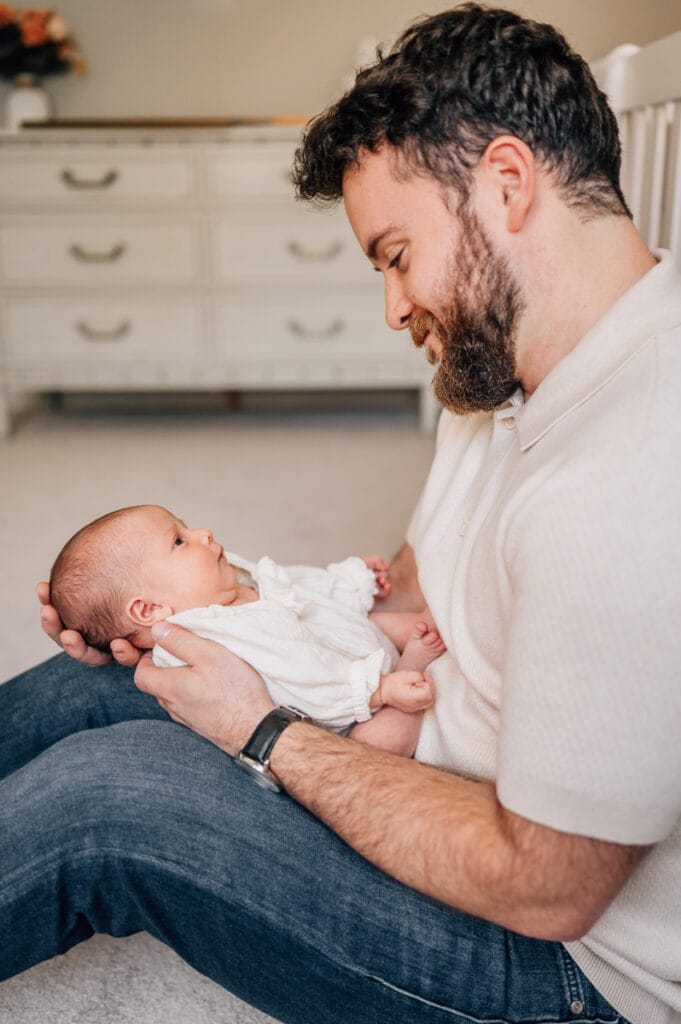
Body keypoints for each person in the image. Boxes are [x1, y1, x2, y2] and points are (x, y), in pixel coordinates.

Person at [2, 4, 679, 1023]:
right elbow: (418, 574)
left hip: (568, 967)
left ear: (507, 182)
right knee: (114, 684)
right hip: (415, 746)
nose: (394, 306)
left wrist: (265, 725)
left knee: (114, 796)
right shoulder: (507, 366)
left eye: (397, 254)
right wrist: (213, 620)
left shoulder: (630, 479)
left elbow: (549, 882)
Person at [49, 503, 442, 753]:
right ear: (149, 608)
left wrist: (351, 580)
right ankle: (410, 669)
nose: (203, 533)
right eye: (179, 542)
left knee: (399, 621)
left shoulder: (221, 585)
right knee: (379, 745)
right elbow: (303, 673)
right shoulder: (212, 640)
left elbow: (294, 586)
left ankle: (430, 648)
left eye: (186, 528)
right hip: (348, 705)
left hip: (344, 638)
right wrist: (379, 688)